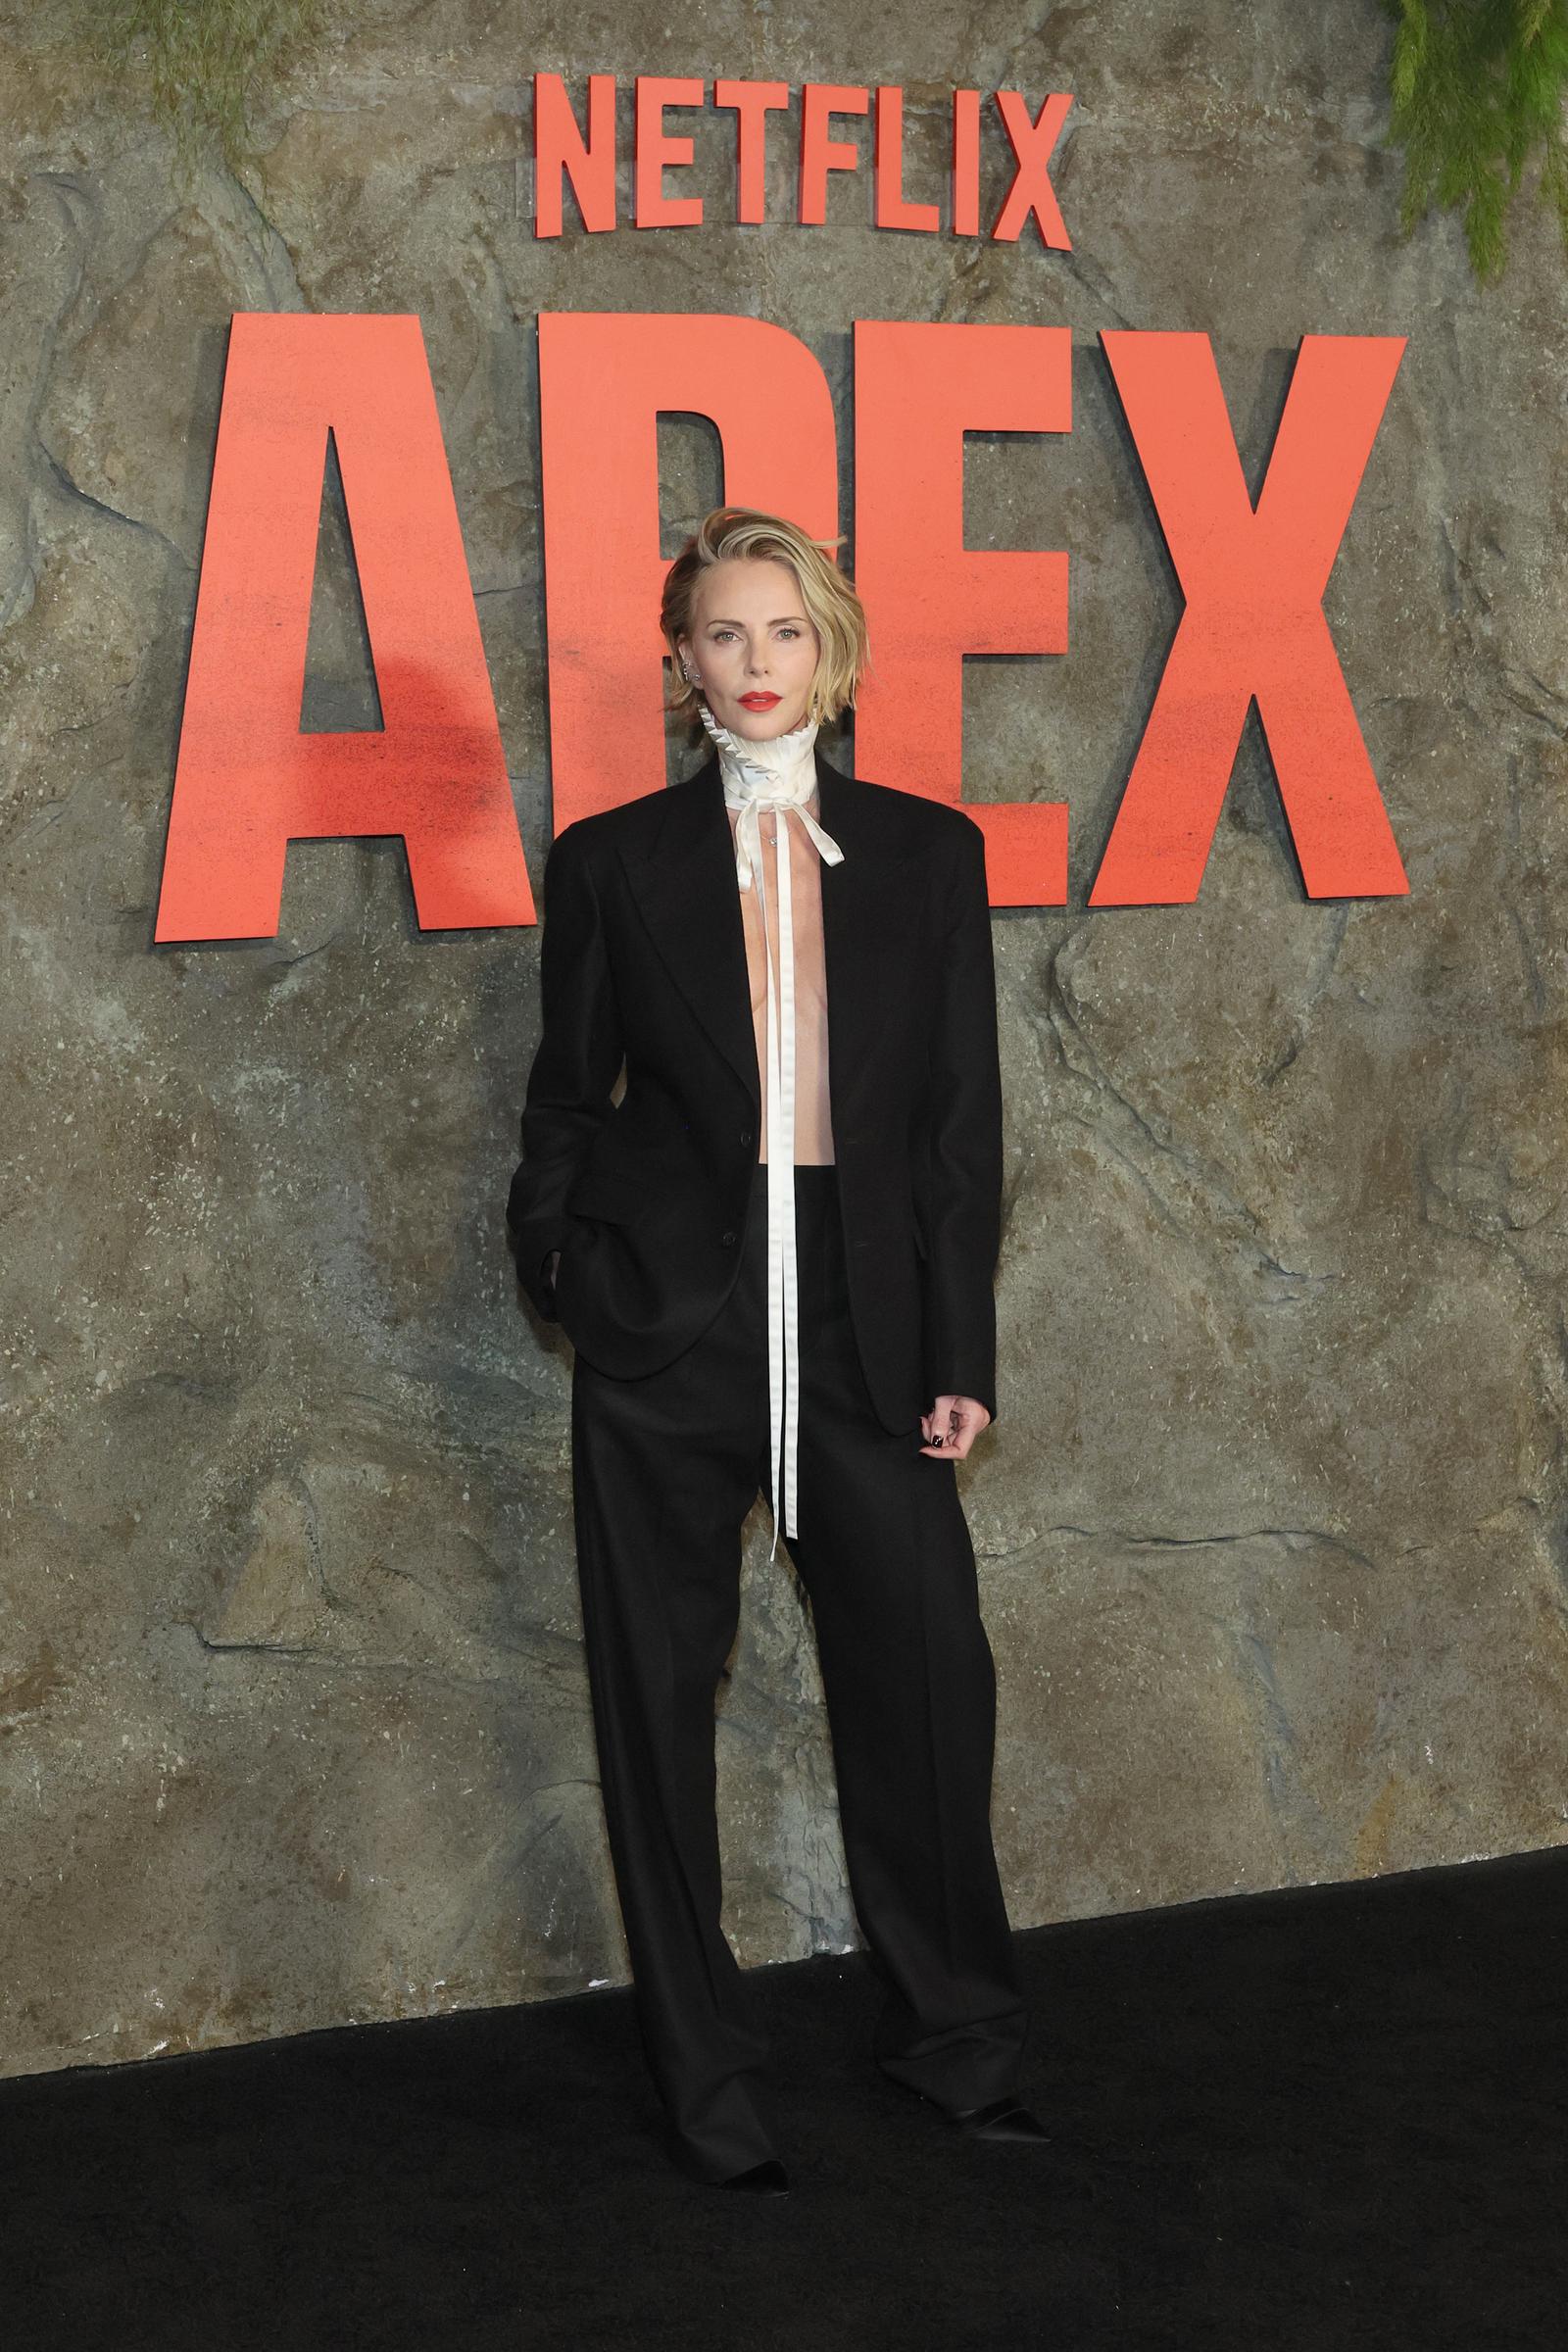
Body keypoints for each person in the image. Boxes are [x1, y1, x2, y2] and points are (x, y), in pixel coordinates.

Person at [507, 506, 1045, 2193]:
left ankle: (958, 2042)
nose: (756, 666)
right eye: (725, 637)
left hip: (873, 1330)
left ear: (836, 651)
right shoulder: (611, 860)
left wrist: (959, 1344)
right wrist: (576, 1279)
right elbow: (559, 1103)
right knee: (655, 1709)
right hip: (675, 1331)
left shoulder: (929, 851)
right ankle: (705, 2074)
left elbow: (962, 1127)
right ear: (681, 663)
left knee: (930, 1687)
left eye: (785, 633)